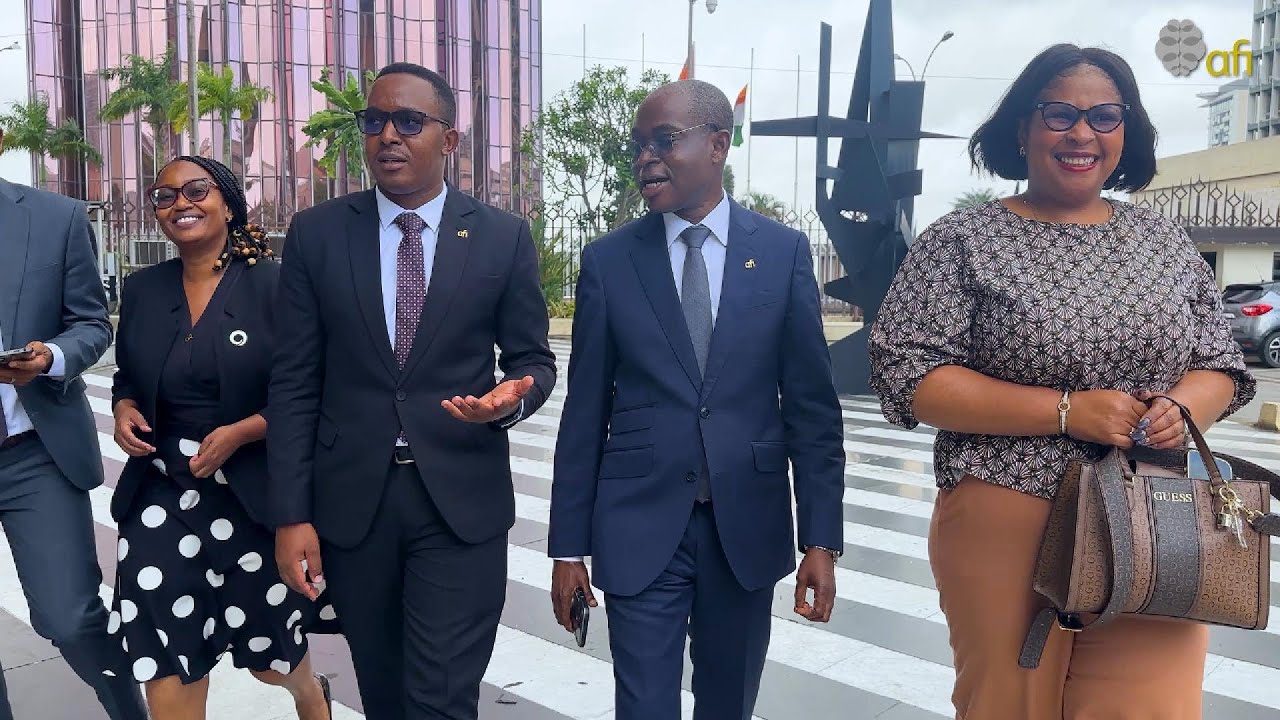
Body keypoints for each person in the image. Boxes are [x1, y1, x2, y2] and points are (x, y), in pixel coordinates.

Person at [867, 44, 1256, 719]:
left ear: (1126, 133)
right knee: (1010, 704)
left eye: (1105, 117)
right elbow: (911, 374)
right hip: (1009, 505)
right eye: (1059, 115)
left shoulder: (1163, 241)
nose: (1082, 134)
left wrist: (1181, 405)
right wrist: (1067, 411)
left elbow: (1221, 363)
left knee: (1152, 706)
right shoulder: (963, 240)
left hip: (1156, 511)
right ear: (1022, 128)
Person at [547, 79, 846, 719]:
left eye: (664, 140)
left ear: (718, 144)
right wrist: (567, 548)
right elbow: (584, 415)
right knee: (643, 709)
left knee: (727, 707)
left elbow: (813, 412)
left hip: (746, 530)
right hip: (638, 525)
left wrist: (821, 540)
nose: (645, 158)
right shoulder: (609, 262)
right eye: (638, 145)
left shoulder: (782, 254)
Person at [268, 62, 556, 719]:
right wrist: (291, 515)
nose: (388, 135)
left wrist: (511, 398)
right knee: (385, 694)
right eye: (374, 121)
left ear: (448, 140)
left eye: (408, 121)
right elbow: (294, 381)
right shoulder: (317, 234)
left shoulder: (501, 237)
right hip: (354, 506)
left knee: (440, 699)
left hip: (459, 500)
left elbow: (533, 359)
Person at [109, 156, 337, 719]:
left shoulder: (276, 285)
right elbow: (128, 376)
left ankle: (310, 694)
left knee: (269, 656)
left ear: (229, 204)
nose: (180, 204)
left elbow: (314, 389)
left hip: (253, 494)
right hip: (162, 491)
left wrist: (242, 432)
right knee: (168, 651)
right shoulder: (143, 289)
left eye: (195, 190)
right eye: (164, 196)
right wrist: (124, 407)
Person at [0, 131, 148, 720]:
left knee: (71, 616)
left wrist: (50, 358)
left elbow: (91, 322)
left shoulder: (54, 218)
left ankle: (129, 713)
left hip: (33, 450)